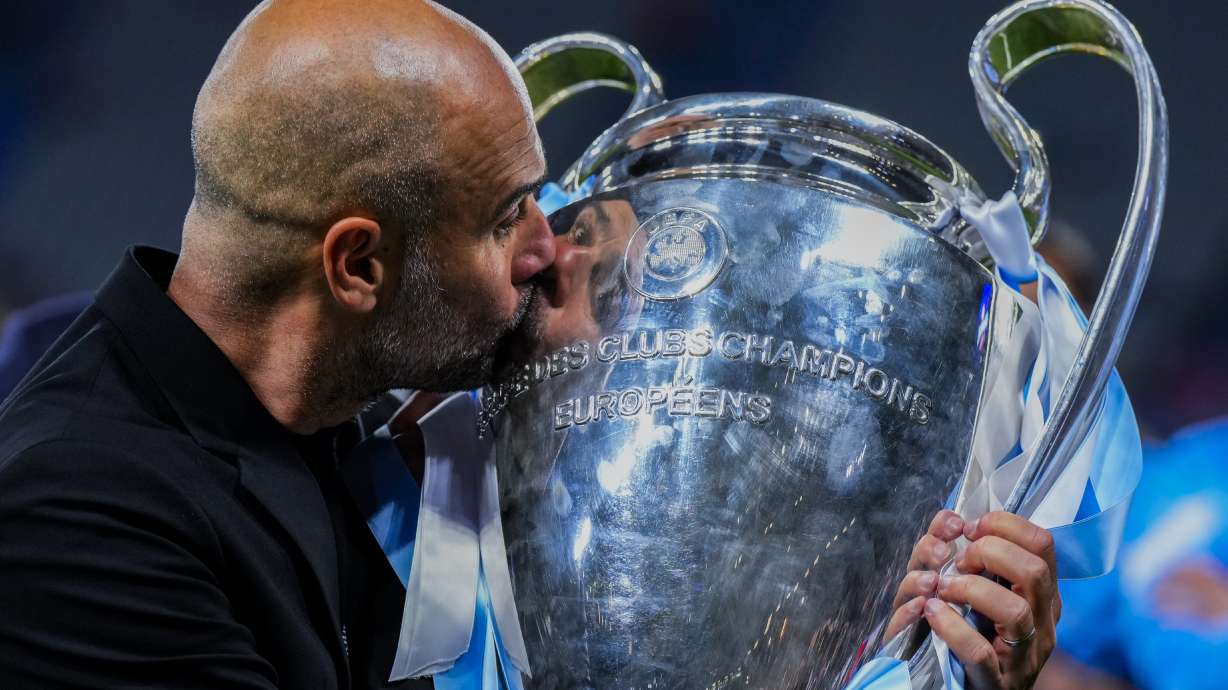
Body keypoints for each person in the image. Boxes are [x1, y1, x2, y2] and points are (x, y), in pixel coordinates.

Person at [0, 1, 1059, 688]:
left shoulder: (327, 422)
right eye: (509, 213)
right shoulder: (77, 517)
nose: (550, 245)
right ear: (357, 267)